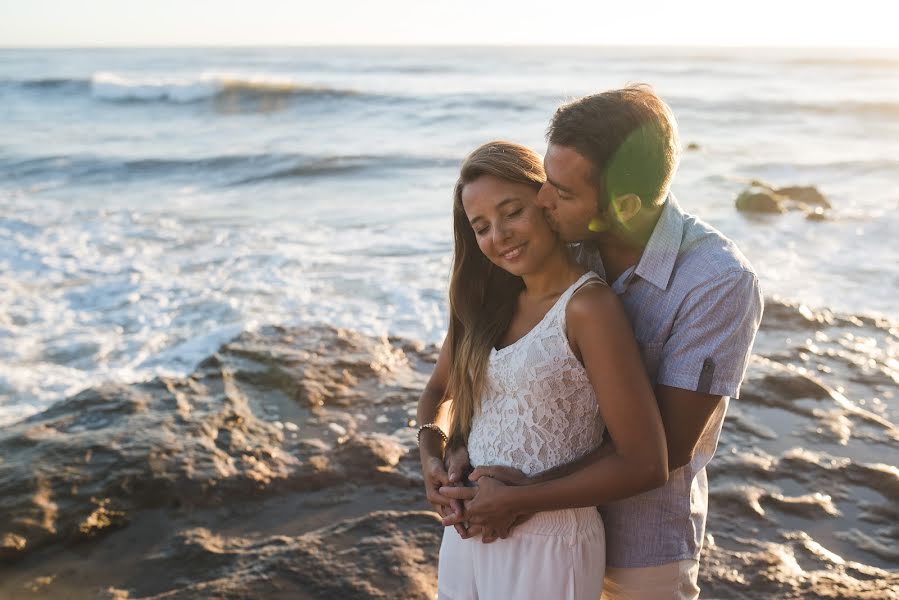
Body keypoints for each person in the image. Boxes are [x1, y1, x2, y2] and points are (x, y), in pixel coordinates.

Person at [439, 85, 764, 599]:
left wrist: (526, 494)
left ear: (623, 205)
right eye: (548, 180)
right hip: (523, 532)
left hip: (642, 544)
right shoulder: (562, 245)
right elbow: (494, 369)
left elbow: (669, 448)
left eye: (562, 193)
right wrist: (455, 447)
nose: (542, 199)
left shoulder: (716, 282)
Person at [416, 140, 669, 600]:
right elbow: (440, 393)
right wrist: (433, 454)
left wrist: (519, 498)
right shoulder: (483, 305)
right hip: (468, 535)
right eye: (482, 226)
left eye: (512, 212)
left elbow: (646, 462)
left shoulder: (588, 308)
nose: (500, 235)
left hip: (552, 544)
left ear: (546, 202)